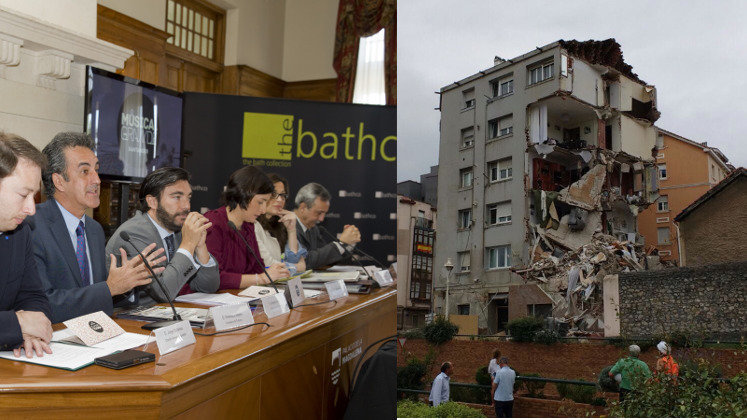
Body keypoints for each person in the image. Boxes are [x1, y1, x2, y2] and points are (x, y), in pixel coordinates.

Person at [29, 132, 165, 323]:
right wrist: (110, 288)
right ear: (59, 181)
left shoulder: (94, 230)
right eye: (85, 171)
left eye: (96, 170)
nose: (97, 180)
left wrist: (127, 282)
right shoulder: (32, 226)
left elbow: (98, 295)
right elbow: (43, 304)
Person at [106, 167, 219, 305]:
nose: (186, 206)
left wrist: (201, 246)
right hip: (128, 319)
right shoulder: (134, 234)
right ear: (152, 202)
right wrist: (188, 244)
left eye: (188, 197)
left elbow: (209, 287)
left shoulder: (177, 229)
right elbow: (163, 292)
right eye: (177, 197)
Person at [0, 133, 53, 358]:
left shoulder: (19, 232)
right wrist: (18, 323)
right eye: (23, 195)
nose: (31, 209)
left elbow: (34, 296)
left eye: (35, 196)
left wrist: (31, 332)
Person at [204, 166, 290, 289]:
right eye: (260, 202)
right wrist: (261, 278)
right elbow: (214, 278)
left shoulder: (248, 225)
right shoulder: (213, 223)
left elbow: (257, 268)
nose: (263, 209)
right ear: (243, 195)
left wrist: (271, 272)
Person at [293, 182, 361, 269]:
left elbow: (325, 259)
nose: (321, 219)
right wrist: (341, 244)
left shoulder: (313, 228)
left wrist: (348, 244)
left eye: (324, 213)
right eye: (319, 213)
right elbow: (304, 261)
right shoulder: (287, 227)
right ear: (303, 207)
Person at [255, 173, 307, 273]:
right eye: (274, 194)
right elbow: (269, 266)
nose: (279, 199)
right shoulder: (251, 224)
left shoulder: (281, 223)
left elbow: (295, 260)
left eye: (282, 195)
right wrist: (297, 267)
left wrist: (291, 231)